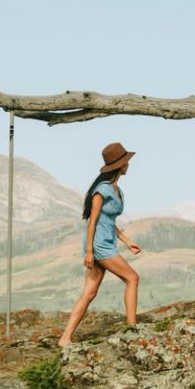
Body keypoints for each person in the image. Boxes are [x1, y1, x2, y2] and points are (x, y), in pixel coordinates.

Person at [57, 141, 142, 348]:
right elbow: (93, 221)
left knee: (90, 292)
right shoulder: (101, 190)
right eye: (126, 161)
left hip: (106, 243)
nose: (128, 164)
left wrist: (127, 241)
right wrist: (89, 252)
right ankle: (132, 328)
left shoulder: (116, 190)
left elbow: (108, 222)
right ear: (119, 165)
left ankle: (65, 338)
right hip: (99, 246)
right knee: (132, 278)